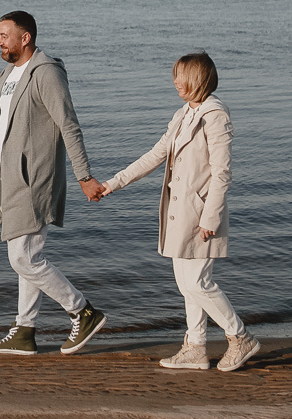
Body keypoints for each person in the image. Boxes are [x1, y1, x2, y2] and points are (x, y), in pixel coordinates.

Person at [99, 51, 260, 372]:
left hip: (201, 215)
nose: (175, 81)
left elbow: (222, 172)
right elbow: (156, 154)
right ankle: (196, 348)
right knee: (187, 286)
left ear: (199, 79)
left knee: (198, 284)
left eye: (182, 75)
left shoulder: (215, 115)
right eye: (175, 75)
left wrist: (211, 218)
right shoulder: (184, 113)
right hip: (179, 212)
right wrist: (112, 184)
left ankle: (240, 337)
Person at [0, 11, 107, 356]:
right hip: (11, 178)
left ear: (25, 38)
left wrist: (84, 175)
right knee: (27, 255)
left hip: (35, 178)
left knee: (22, 257)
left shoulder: (46, 73)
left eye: (4, 35)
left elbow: (68, 124)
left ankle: (82, 311)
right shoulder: (8, 74)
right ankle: (25, 330)